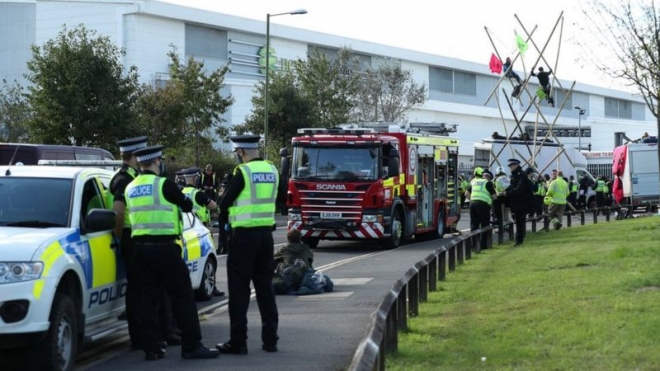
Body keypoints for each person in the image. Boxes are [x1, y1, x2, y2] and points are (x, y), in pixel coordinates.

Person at [125, 145, 219, 361]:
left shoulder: (130, 187)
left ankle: (152, 348)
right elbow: (186, 204)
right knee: (183, 296)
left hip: (140, 250)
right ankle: (192, 346)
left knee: (148, 300)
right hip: (165, 248)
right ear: (157, 161)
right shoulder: (163, 184)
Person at [216, 134, 283, 355]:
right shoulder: (273, 170)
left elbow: (223, 204)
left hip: (244, 237)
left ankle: (238, 341)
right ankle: (270, 340)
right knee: (265, 289)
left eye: (237, 153)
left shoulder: (243, 172)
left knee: (239, 291)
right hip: (266, 237)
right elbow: (281, 198)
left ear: (241, 152)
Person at [109, 136, 149, 350]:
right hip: (128, 238)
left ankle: (145, 335)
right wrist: (117, 239)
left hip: (135, 238)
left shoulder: (131, 176)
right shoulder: (123, 179)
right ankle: (139, 338)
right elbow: (118, 213)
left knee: (141, 288)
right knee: (136, 290)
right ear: (134, 156)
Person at [177, 167, 225, 297]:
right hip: (199, 228)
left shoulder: (180, 192)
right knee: (209, 257)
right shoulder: (197, 194)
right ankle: (211, 286)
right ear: (194, 179)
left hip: (184, 229)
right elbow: (213, 205)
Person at [502, 158, 534, 246]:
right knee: (519, 222)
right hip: (516, 202)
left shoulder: (521, 175)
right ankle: (521, 238)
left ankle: (519, 241)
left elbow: (520, 189)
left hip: (521, 202)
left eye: (511, 165)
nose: (510, 167)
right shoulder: (514, 175)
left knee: (519, 222)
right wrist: (503, 191)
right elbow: (512, 187)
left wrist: (507, 193)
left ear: (516, 165)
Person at [465, 167, 497, 250]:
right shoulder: (488, 183)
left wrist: (472, 199)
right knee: (484, 225)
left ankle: (474, 245)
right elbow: (494, 197)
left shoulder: (474, 182)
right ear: (489, 177)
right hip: (483, 205)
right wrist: (490, 202)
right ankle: (483, 246)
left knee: (474, 225)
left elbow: (466, 194)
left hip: (472, 204)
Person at [216, 172, 232, 255]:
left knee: (226, 232)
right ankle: (222, 247)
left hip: (227, 213)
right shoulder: (225, 188)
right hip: (222, 214)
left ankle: (225, 247)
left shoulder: (227, 189)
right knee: (222, 232)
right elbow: (218, 202)